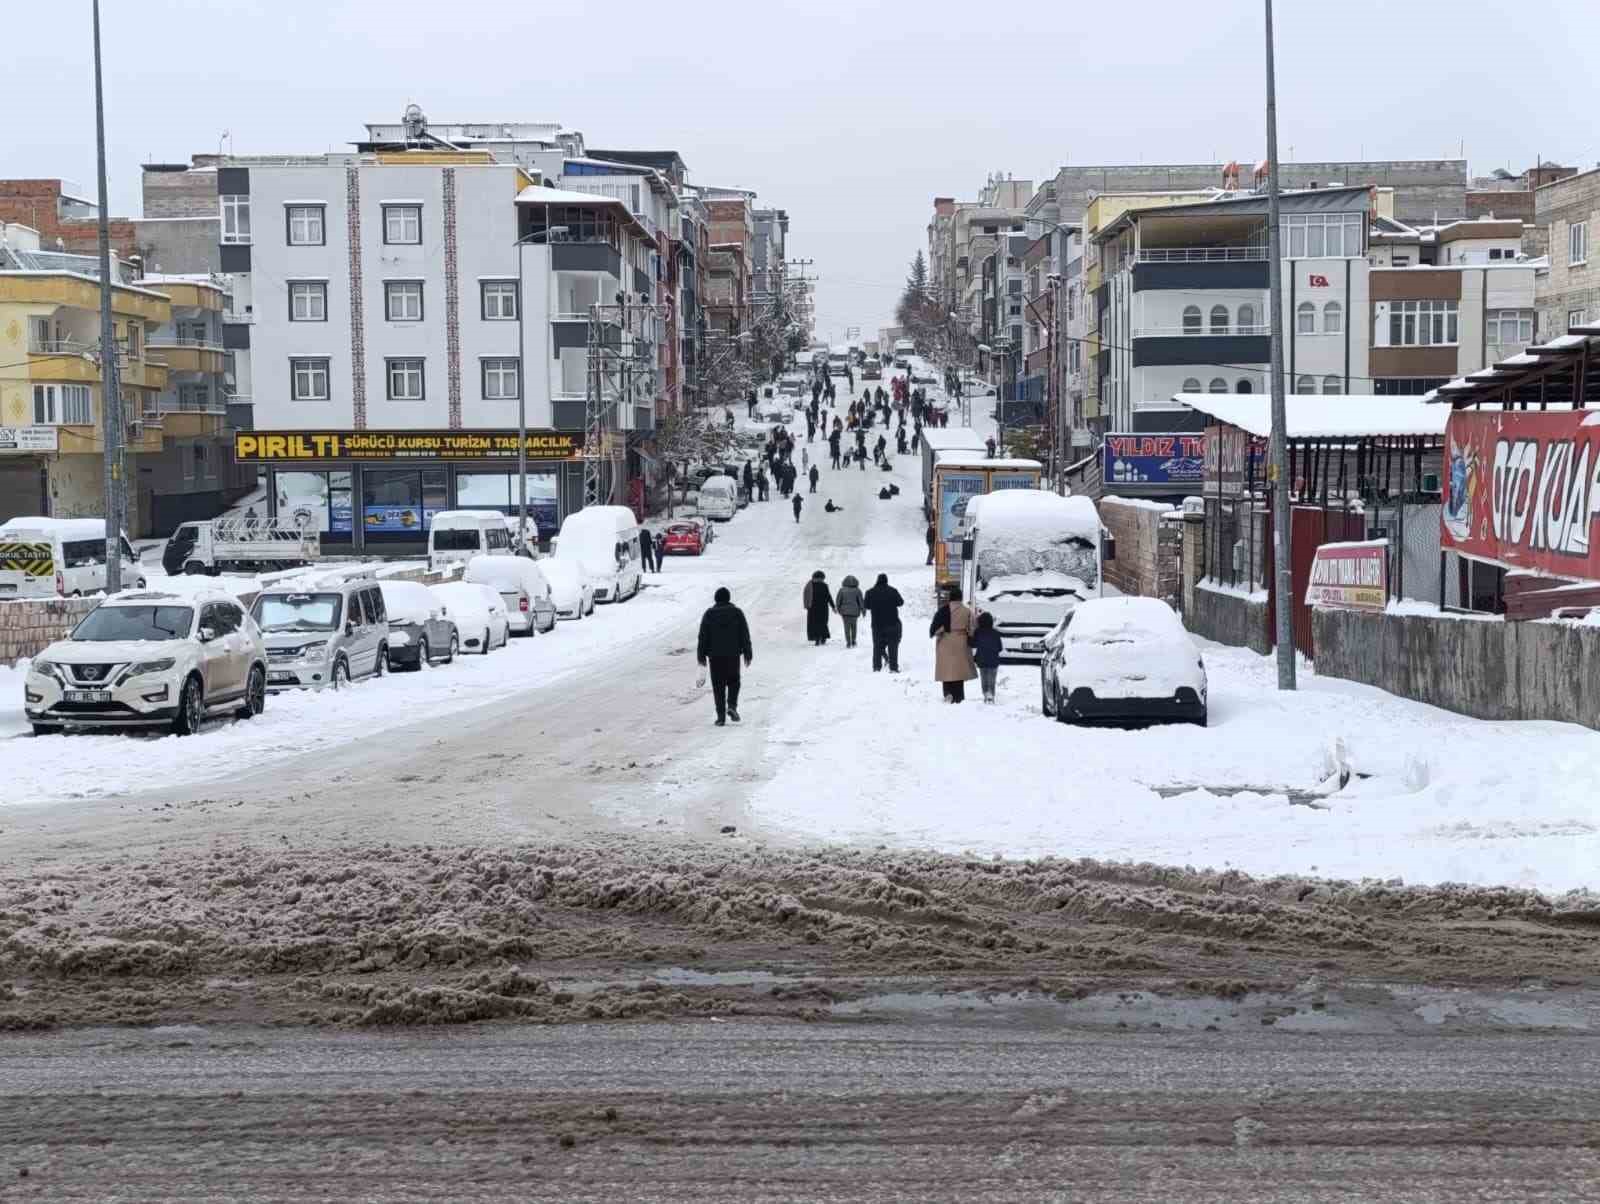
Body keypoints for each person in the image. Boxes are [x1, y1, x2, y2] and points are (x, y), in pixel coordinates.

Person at [696, 586, 753, 727]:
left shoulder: (709, 614)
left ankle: (721, 717)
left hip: (715, 657)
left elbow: (702, 637)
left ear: (716, 599)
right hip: (733, 655)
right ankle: (732, 706)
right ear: (728, 598)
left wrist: (701, 656)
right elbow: (744, 633)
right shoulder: (737, 612)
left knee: (718, 686)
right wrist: (747, 652)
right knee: (734, 681)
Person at [929, 584, 978, 703]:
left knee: (946, 670)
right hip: (961, 641)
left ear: (950, 598)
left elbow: (935, 629)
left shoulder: (943, 610)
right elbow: (972, 628)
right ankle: (959, 695)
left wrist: (942, 631)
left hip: (945, 642)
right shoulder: (967, 611)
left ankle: (948, 694)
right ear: (961, 598)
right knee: (958, 671)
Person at [863, 573, 905, 672]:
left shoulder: (870, 592)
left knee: (877, 646)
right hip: (892, 623)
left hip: (877, 624)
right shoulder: (893, 591)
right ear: (886, 581)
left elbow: (867, 605)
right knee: (893, 646)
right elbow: (901, 602)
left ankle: (877, 667)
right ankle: (893, 668)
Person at [973, 611, 1003, 703]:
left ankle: (985, 693)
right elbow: (1000, 648)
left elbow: (973, 643)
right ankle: (991, 694)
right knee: (992, 678)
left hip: (981, 659)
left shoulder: (978, 632)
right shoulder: (996, 633)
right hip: (994, 660)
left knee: (984, 678)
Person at [803, 570, 835, 645]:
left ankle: (817, 638)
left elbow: (805, 596)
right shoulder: (824, 585)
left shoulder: (809, 585)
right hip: (823, 608)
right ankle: (823, 637)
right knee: (823, 623)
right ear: (821, 578)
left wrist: (807, 605)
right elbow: (828, 597)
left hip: (812, 608)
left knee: (814, 623)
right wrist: (833, 606)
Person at [835, 574, 864, 648]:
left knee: (846, 627)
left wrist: (838, 609)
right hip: (855, 612)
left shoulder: (842, 590)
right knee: (854, 627)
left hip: (845, 612)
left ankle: (848, 642)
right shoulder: (857, 590)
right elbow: (861, 601)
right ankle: (853, 640)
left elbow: (838, 600)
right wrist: (863, 610)